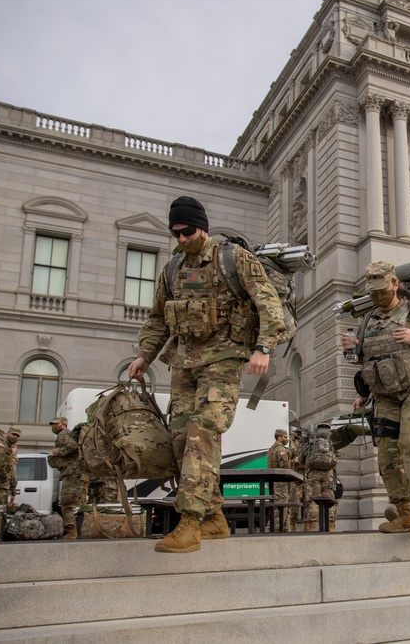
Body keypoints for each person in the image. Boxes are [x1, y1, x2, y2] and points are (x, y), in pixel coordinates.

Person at [128, 195, 286, 553]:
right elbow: (157, 317)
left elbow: (268, 302)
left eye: (187, 232)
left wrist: (263, 347)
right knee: (181, 439)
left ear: (202, 227)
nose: (181, 239)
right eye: (175, 234)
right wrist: (144, 355)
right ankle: (215, 516)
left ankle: (190, 521)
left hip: (225, 358)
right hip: (185, 361)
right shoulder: (172, 269)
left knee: (203, 430)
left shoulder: (232, 259)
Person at [342, 260, 410, 539]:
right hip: (386, 393)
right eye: (373, 293)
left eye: (382, 290)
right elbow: (369, 359)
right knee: (387, 452)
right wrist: (354, 354)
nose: (378, 296)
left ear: (395, 284)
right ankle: (404, 514)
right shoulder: (368, 320)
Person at [48, 416, 81, 539]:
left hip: (71, 473)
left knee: (68, 502)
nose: (53, 426)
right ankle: (72, 530)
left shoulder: (63, 435)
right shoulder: (66, 434)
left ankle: (72, 531)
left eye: (55, 424)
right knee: (71, 501)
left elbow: (72, 446)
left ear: (63, 424)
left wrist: (58, 452)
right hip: (72, 472)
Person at [302, 422, 338, 532]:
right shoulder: (332, 440)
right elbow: (337, 454)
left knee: (312, 499)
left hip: (313, 474)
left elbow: (302, 457)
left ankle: (310, 527)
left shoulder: (312, 441)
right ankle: (330, 526)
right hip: (329, 474)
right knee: (329, 499)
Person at [0, 424, 22, 510]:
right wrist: (4, 476)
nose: (15, 437)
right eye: (13, 434)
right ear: (7, 434)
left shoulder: (12, 448)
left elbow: (12, 470)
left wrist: (13, 489)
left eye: (17, 436)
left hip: (5, 486)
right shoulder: (2, 446)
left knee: (2, 510)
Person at [267, 428, 293, 529]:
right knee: (281, 506)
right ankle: (277, 528)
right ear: (279, 437)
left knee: (278, 505)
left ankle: (282, 528)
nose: (287, 439)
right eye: (285, 437)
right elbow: (285, 466)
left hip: (273, 481)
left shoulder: (272, 449)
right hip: (281, 481)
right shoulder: (281, 449)